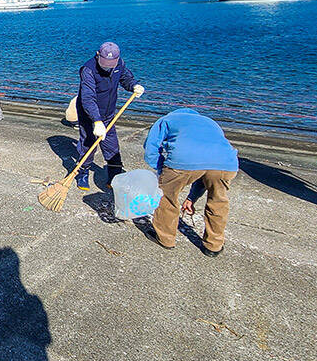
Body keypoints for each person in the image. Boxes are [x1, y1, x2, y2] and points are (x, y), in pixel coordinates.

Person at [143, 108, 239, 256]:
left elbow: (151, 149)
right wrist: (191, 198)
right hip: (226, 163)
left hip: (183, 159)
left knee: (166, 196)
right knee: (218, 202)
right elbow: (205, 168)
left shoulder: (167, 119)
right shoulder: (210, 122)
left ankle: (165, 238)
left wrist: (162, 170)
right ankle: (213, 246)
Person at [75, 41, 144, 191]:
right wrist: (97, 121)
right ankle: (82, 173)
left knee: (112, 146)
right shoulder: (88, 69)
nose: (107, 67)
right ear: (98, 54)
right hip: (89, 113)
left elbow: (126, 78)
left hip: (108, 113)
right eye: (105, 63)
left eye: (111, 64)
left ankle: (114, 176)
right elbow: (88, 98)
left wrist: (134, 85)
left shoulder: (119, 64)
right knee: (88, 143)